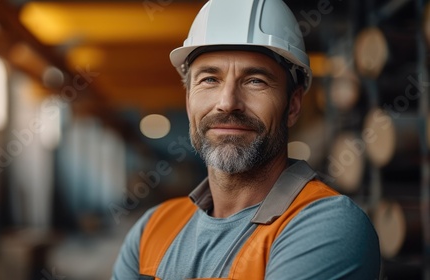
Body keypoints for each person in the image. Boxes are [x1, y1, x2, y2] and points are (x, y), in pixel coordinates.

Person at [112, 0, 381, 279]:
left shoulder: (327, 225)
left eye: (255, 81)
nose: (227, 103)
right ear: (189, 100)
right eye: (209, 80)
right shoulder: (151, 230)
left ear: (293, 105)